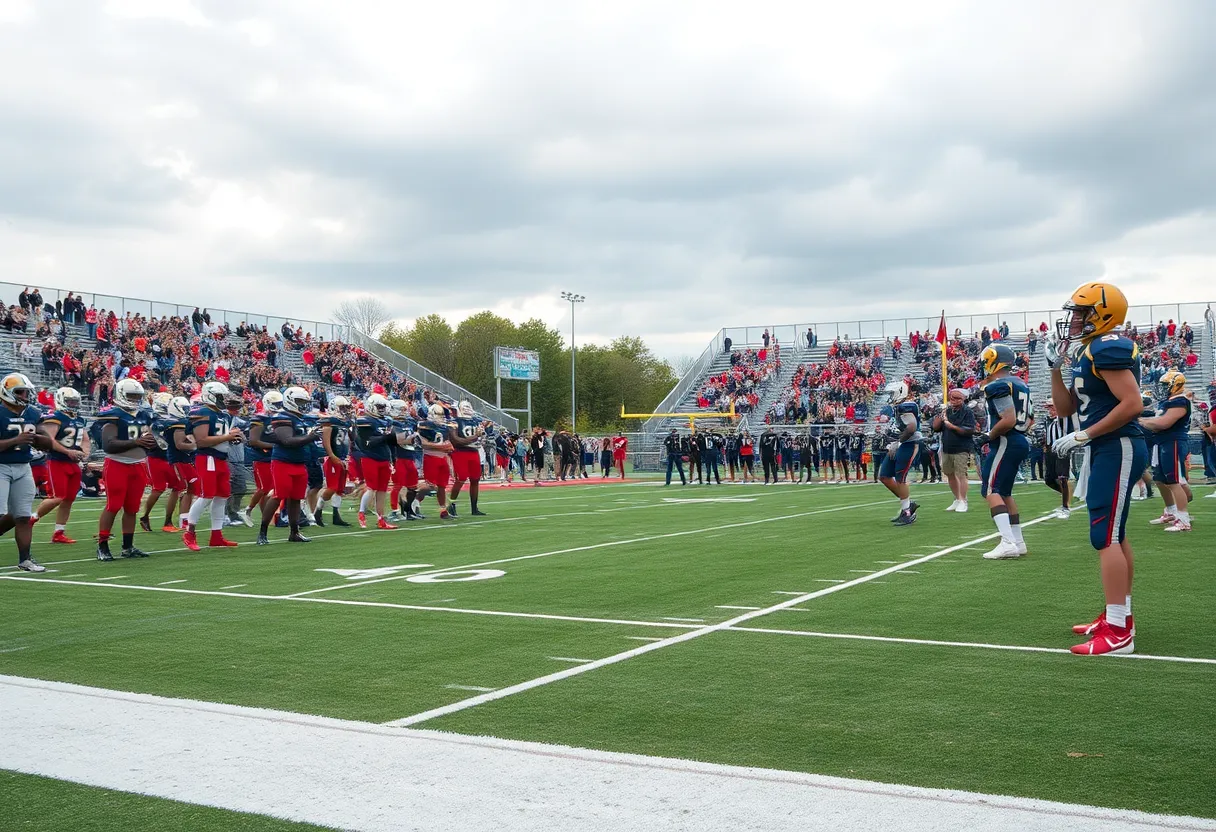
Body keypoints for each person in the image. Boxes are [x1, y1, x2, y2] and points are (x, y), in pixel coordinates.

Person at [1048, 281, 1147, 656]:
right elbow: (1066, 409)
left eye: (1081, 311)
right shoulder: (1089, 349)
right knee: (1113, 534)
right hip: (1107, 446)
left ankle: (1120, 631)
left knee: (1104, 536)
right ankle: (1118, 615)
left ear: (1101, 314)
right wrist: (1055, 370)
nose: (1074, 318)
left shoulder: (1108, 346)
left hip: (1118, 445)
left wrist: (1085, 434)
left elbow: (1133, 403)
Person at [976, 345, 1033, 559]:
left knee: (991, 491)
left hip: (1005, 441)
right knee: (1005, 492)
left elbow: (1008, 419)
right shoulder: (1021, 384)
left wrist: (988, 435)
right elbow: (1030, 419)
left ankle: (1008, 542)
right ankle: (1018, 542)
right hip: (1018, 440)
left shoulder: (998, 385)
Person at [95, 378, 155, 561]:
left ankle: (127, 547)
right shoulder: (113, 415)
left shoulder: (143, 415)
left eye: (137, 396)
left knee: (132, 508)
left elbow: (150, 437)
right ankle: (102, 546)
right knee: (113, 505)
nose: (135, 399)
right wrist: (137, 442)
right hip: (117, 464)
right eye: (131, 395)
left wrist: (153, 441)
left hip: (138, 464)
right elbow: (109, 445)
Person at [0, 373, 53, 571]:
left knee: (22, 516)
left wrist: (39, 439)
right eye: (20, 392)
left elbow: (47, 441)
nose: (24, 396)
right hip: (1, 466)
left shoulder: (33, 413)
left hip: (23, 466)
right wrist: (15, 440)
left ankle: (25, 560)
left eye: (26, 392)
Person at [182, 381, 243, 551]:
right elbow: (201, 441)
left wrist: (235, 437)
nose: (223, 399)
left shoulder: (223, 415)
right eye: (220, 396)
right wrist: (228, 437)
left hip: (221, 458)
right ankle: (189, 533)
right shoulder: (202, 412)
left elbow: (222, 436)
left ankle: (216, 535)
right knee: (206, 495)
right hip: (207, 457)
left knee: (222, 496)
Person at [262, 386, 319, 544]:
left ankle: (294, 532)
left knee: (296, 498)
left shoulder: (300, 418)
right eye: (299, 401)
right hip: (283, 461)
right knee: (279, 495)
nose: (303, 405)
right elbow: (287, 440)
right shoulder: (282, 417)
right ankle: (262, 532)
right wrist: (310, 437)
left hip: (299, 462)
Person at [34, 387, 89, 544]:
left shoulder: (79, 419)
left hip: (73, 463)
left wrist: (84, 454)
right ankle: (31, 519)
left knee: (69, 499)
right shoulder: (55, 417)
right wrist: (67, 452)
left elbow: (85, 439)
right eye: (69, 401)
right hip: (57, 461)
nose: (73, 404)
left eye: (74, 402)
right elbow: (49, 440)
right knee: (57, 497)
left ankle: (59, 532)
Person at [1140, 370, 1193, 532]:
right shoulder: (1168, 401)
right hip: (1161, 442)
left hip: (1173, 442)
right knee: (1160, 480)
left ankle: (1183, 519)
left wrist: (1140, 421)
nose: (1162, 389)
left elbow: (1164, 423)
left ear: (1176, 385)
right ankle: (1171, 511)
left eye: (1165, 385)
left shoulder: (1180, 401)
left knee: (1173, 481)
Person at [879, 382, 922, 526]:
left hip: (908, 444)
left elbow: (911, 427)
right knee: (884, 476)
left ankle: (907, 513)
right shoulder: (900, 406)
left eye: (892, 393)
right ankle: (908, 504)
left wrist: (899, 442)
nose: (890, 396)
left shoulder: (906, 406)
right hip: (899, 444)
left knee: (900, 478)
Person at [354, 393, 397, 529]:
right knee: (371, 488)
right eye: (379, 406)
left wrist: (393, 459)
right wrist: (384, 437)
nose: (382, 409)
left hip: (384, 458)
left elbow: (391, 443)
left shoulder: (387, 421)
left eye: (383, 406)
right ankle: (361, 513)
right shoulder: (365, 421)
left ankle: (381, 519)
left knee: (382, 490)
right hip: (370, 457)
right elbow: (367, 443)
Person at [934, 388, 975, 512]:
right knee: (949, 473)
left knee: (961, 474)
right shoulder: (947, 411)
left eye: (957, 398)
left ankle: (963, 500)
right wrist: (939, 417)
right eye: (952, 398)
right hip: (947, 447)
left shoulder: (967, 411)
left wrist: (951, 426)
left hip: (961, 447)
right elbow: (936, 428)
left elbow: (969, 430)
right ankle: (957, 499)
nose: (953, 400)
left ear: (963, 399)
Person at [448, 400, 489, 517]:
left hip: (474, 451)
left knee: (475, 479)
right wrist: (475, 437)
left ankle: (474, 508)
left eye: (468, 406)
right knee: (461, 479)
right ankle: (451, 504)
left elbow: (481, 437)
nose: (466, 409)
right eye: (464, 407)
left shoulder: (475, 421)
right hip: (460, 452)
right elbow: (456, 440)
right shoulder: (454, 422)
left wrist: (481, 436)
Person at [1042, 399, 1080, 519]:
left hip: (1061, 449)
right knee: (1049, 480)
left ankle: (1065, 507)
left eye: (1052, 407)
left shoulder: (1063, 420)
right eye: (1049, 408)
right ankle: (1067, 495)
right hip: (1049, 450)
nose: (1050, 410)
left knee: (1062, 478)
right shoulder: (1048, 421)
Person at [418, 402, 454, 519]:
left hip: (443, 458)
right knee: (430, 485)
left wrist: (444, 447)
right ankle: (413, 502)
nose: (441, 417)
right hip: (430, 457)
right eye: (438, 414)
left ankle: (443, 510)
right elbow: (423, 444)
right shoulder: (425, 425)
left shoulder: (444, 427)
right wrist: (442, 447)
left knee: (442, 486)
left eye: (442, 414)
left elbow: (450, 445)